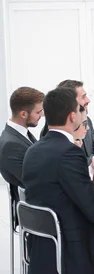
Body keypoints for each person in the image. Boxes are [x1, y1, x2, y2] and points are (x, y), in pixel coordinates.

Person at [22, 87, 94, 274]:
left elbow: (60, 192)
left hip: (42, 247)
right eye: (79, 110)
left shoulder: (33, 150)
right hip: (72, 250)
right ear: (72, 116)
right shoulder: (70, 152)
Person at [41, 80, 94, 163]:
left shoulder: (87, 120)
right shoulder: (54, 130)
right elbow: (73, 162)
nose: (88, 100)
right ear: (70, 101)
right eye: (83, 97)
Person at [0, 87, 44, 230]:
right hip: (34, 210)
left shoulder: (21, 134)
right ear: (23, 114)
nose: (42, 115)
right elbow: (33, 182)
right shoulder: (10, 144)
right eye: (38, 112)